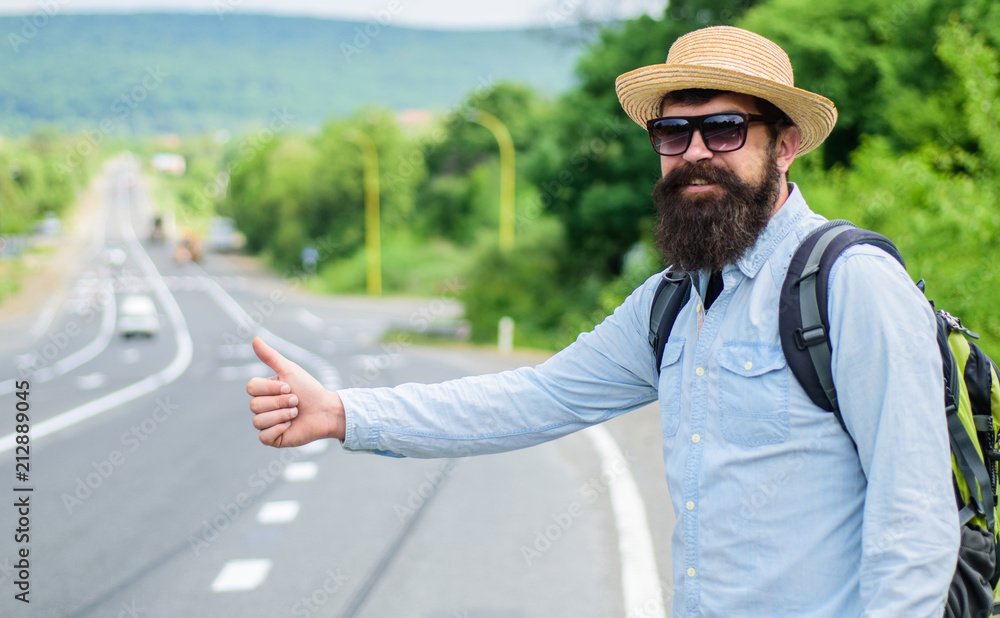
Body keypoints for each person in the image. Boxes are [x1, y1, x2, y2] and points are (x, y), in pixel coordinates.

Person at [246, 25, 959, 617]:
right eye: (673, 132)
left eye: (724, 128)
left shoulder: (850, 285)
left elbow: (915, 522)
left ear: (786, 142)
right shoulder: (672, 302)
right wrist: (343, 412)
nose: (695, 153)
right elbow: (532, 398)